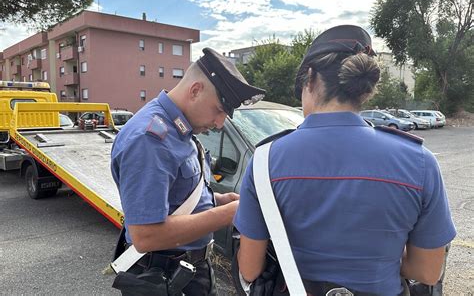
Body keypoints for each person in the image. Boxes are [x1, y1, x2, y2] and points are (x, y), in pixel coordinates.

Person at [233, 25, 456, 296]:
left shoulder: (265, 160)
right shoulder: (420, 162)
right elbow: (427, 272)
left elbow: (249, 270)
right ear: (364, 91)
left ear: (311, 79)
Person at [111, 47, 265, 295]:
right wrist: (229, 213)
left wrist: (218, 200)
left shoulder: (179, 130)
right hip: (163, 276)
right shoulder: (150, 139)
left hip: (188, 271)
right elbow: (146, 236)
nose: (219, 123)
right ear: (195, 91)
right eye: (218, 110)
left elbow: (176, 198)